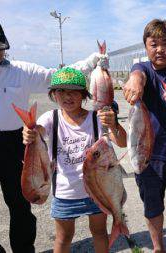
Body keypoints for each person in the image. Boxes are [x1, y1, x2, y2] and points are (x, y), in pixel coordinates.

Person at [0, 15, 106, 252]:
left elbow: (58, 76)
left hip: (17, 142)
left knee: (22, 203)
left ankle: (24, 249)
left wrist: (93, 60)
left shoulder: (20, 70)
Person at [22, 67, 126, 253]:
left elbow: (122, 141)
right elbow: (39, 131)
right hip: (65, 192)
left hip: (97, 190)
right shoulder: (51, 118)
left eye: (73, 92)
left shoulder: (96, 118)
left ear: (84, 94)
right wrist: (29, 133)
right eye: (61, 91)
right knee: (63, 238)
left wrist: (114, 124)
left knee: (100, 232)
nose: (67, 96)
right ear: (53, 94)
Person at [122, 19, 166, 252]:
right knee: (152, 208)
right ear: (146, 47)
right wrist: (134, 81)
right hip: (148, 157)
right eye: (154, 44)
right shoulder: (142, 69)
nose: (160, 49)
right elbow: (138, 74)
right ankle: (158, 248)